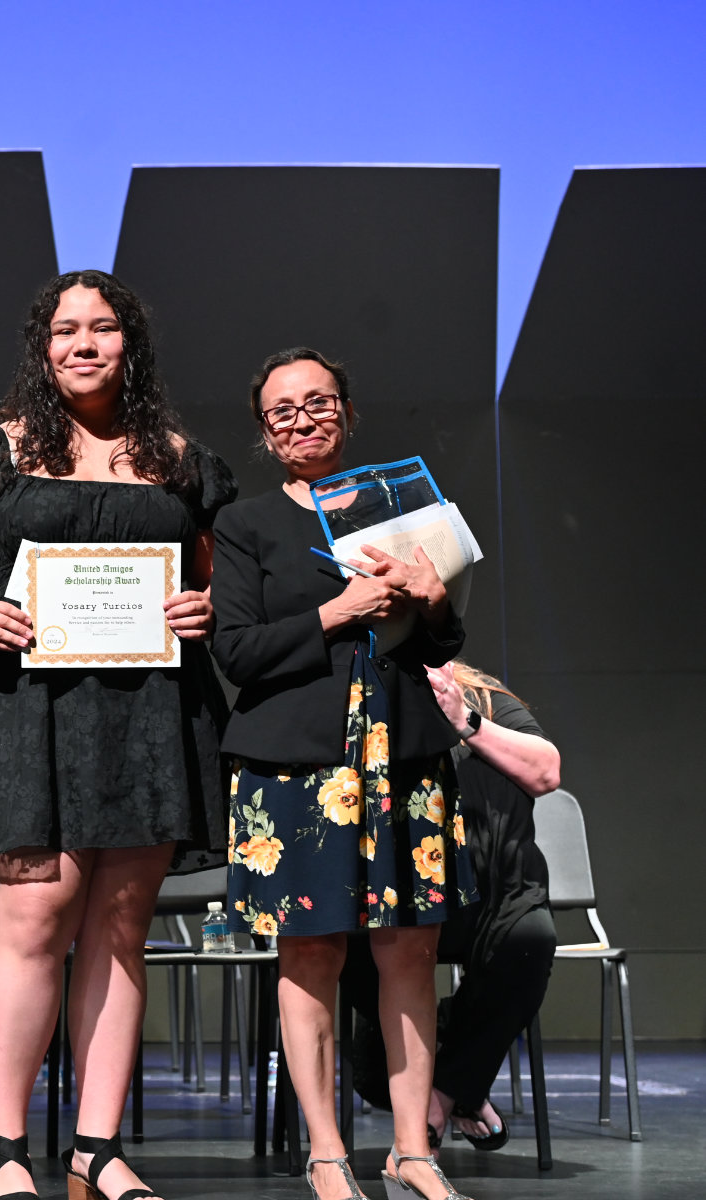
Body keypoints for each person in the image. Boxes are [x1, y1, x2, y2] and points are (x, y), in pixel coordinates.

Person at [0, 270, 235, 1200]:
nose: (83, 345)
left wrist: (205, 608)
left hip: (147, 713)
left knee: (120, 927)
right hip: (28, 710)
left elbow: (214, 584)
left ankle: (97, 1149)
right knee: (31, 918)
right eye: (65, 330)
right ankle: (3, 1148)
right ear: (41, 345)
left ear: (128, 345)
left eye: (101, 329)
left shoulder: (180, 460)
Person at [213, 347, 477, 1200]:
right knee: (311, 951)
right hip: (296, 765)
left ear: (346, 412)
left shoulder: (400, 505)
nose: (301, 420)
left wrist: (431, 598)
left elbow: (440, 647)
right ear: (263, 429)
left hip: (401, 754)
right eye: (281, 411)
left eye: (317, 403)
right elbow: (235, 652)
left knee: (411, 949)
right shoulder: (245, 523)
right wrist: (337, 611)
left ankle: (413, 1149)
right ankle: (326, 1152)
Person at [340, 660, 560, 1153]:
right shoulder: (348, 688)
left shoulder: (470, 690)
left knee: (531, 939)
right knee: (375, 1077)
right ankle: (462, 1083)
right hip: (391, 895)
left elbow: (547, 772)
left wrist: (467, 722)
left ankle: (436, 1103)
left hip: (492, 893)